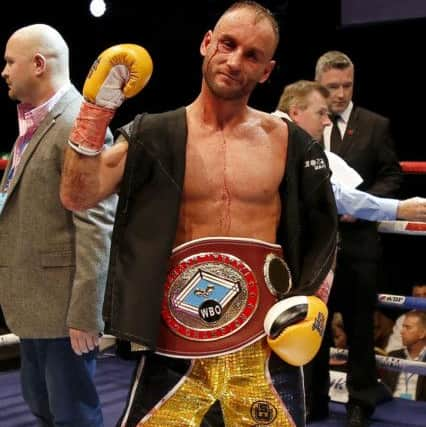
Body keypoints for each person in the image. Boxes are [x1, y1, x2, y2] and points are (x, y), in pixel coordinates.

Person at [60, 2, 338, 426]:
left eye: (252, 55)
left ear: (267, 71)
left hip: (262, 344)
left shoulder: (287, 140)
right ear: (207, 43)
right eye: (227, 44)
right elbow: (78, 195)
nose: (234, 61)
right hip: (176, 343)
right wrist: (96, 109)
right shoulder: (155, 134)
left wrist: (316, 296)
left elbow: (324, 227)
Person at [0, 24, 117, 426]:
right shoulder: (33, 127)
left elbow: (98, 223)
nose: (4, 71)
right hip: (35, 303)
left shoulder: (76, 124)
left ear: (37, 64)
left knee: (73, 415)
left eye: (9, 62)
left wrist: (86, 312)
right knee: (44, 407)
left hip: (65, 311)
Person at [314, 50, 403, 427]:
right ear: (320, 85)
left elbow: (392, 177)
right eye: (333, 86)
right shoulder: (305, 122)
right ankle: (313, 399)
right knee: (313, 327)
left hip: (359, 245)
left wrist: (362, 203)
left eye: (347, 85)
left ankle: (360, 402)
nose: (340, 93)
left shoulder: (374, 125)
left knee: (360, 327)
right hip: (317, 246)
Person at [273, 79, 426, 222]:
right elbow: (334, 195)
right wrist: (398, 209)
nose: (327, 122)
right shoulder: (278, 139)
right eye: (320, 113)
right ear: (295, 113)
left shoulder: (287, 139)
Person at [381, 311, 426, 401]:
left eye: (408, 327)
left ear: (422, 333)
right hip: (392, 405)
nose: (401, 332)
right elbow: (384, 389)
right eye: (402, 327)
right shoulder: (393, 355)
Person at [386, 283, 426, 353]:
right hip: (410, 360)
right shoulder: (403, 319)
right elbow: (392, 349)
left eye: (425, 295)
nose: (422, 300)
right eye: (418, 296)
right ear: (412, 298)